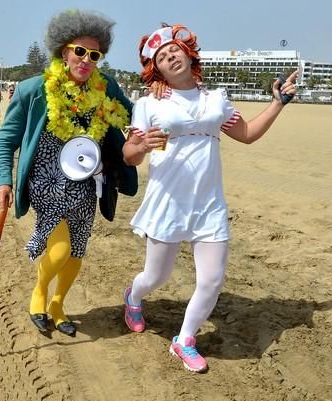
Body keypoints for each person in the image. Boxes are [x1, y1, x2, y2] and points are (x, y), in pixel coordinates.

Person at [121, 23, 297, 373]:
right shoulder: (149, 103)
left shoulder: (216, 100)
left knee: (212, 280)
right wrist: (140, 146)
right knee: (156, 277)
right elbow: (129, 154)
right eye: (162, 56)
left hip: (209, 204)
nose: (171, 56)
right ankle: (134, 296)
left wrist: (277, 103)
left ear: (188, 54)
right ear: (156, 68)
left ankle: (184, 339)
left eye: (174, 50)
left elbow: (246, 134)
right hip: (167, 202)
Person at [0, 9, 137, 337]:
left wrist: (161, 97)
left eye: (95, 54)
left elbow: (134, 115)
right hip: (46, 180)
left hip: (88, 183)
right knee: (57, 251)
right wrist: (3, 179)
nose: (86, 60)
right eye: (80, 51)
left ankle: (58, 304)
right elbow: (6, 139)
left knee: (76, 252)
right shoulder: (33, 89)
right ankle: (39, 295)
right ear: (64, 50)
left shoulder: (106, 87)